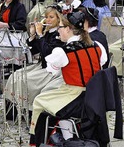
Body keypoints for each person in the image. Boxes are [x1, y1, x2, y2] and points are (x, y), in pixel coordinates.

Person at [29, 11, 107, 139]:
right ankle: (69, 138)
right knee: (55, 100)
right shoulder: (97, 46)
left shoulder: (62, 52)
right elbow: (102, 62)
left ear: (68, 29)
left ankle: (37, 141)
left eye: (60, 28)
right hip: (96, 96)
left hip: (75, 96)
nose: (58, 31)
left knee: (39, 101)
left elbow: (51, 70)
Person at [5, 6, 66, 121]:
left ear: (58, 19)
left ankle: (28, 110)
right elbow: (34, 51)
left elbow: (48, 53)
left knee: (25, 80)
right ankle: (16, 109)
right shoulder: (48, 32)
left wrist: (40, 34)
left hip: (51, 69)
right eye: (46, 17)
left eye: (51, 17)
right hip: (41, 65)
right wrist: (33, 35)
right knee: (15, 75)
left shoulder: (59, 34)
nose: (47, 20)